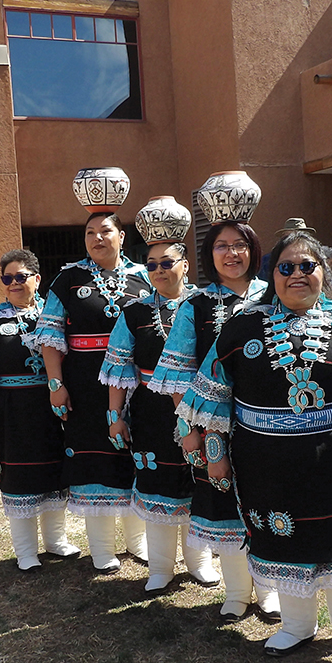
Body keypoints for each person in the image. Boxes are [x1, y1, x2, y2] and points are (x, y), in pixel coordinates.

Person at [179, 230, 332, 663]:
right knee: (283, 541)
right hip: (265, 467)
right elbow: (215, 397)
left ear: (323, 273)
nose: (297, 274)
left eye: (307, 266)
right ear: (271, 274)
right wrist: (215, 454)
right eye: (286, 267)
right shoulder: (241, 327)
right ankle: (296, 627)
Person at [149, 219, 274, 620]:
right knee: (222, 502)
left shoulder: (275, 297)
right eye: (222, 245)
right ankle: (237, 592)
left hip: (270, 421)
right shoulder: (196, 305)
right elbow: (175, 373)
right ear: (209, 254)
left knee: (268, 499)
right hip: (212, 424)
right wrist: (188, 428)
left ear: (254, 250)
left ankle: (270, 590)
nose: (232, 253)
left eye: (240, 245)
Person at [101, 212, 217, 592]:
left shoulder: (207, 307)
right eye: (151, 264)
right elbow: (118, 368)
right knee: (158, 483)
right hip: (151, 411)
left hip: (202, 408)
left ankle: (200, 561)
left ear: (185, 264)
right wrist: (115, 416)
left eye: (167, 263)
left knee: (202, 483)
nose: (158, 270)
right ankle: (161, 567)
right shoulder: (133, 312)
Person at [35, 208, 153, 572]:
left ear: (121, 237)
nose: (97, 238)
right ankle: (102, 548)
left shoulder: (145, 277)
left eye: (105, 231)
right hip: (85, 386)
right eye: (89, 233)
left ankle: (138, 541)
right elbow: (50, 335)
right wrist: (56, 384)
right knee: (93, 458)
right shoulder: (68, 278)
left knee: (137, 455)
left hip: (137, 384)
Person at [0, 249, 80, 572]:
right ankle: (26, 552)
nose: (13, 283)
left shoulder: (53, 319)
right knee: (19, 478)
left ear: (37, 280)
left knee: (54, 474)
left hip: (51, 409)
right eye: (7, 278)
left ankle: (55, 541)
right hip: (11, 412)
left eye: (20, 277)